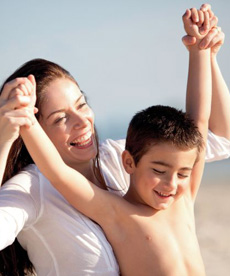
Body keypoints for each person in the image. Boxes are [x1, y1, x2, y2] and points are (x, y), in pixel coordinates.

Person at [0, 4, 229, 276]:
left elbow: (200, 124)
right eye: (61, 118)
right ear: (128, 162)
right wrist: (23, 118)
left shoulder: (182, 193)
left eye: (82, 104)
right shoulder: (117, 213)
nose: (171, 182)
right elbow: (58, 174)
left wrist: (201, 52)